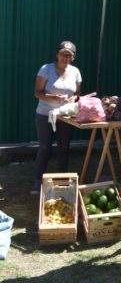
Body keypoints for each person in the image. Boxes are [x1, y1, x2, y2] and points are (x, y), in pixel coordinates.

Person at [32, 41, 82, 194]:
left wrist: (73, 99)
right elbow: (37, 93)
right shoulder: (46, 69)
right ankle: (37, 182)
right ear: (57, 54)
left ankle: (61, 180)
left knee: (64, 147)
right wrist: (52, 97)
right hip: (45, 114)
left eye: (69, 55)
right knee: (45, 147)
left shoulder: (75, 72)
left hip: (65, 116)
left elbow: (78, 94)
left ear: (73, 57)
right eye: (63, 54)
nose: (65, 57)